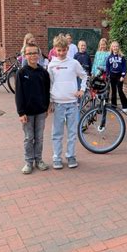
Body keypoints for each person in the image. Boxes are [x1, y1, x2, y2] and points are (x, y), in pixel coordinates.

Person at [48, 35, 87, 169]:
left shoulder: (73, 63)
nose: (62, 53)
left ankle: (70, 156)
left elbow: (84, 76)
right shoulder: (51, 65)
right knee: (57, 133)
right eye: (59, 50)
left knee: (72, 133)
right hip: (58, 104)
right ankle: (57, 157)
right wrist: (50, 102)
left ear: (67, 49)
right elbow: (49, 84)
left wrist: (82, 89)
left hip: (72, 103)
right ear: (55, 50)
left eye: (64, 50)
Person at [15, 43, 51, 174]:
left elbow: (47, 91)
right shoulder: (21, 73)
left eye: (35, 53)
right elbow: (19, 94)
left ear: (39, 54)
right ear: (25, 55)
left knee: (39, 137)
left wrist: (47, 106)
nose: (33, 56)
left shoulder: (43, 73)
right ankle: (29, 162)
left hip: (41, 111)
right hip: (27, 113)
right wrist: (21, 112)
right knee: (29, 138)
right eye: (30, 53)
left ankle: (39, 160)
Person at [106, 41, 127, 113]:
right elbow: (107, 67)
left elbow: (124, 67)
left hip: (119, 76)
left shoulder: (121, 57)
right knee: (113, 91)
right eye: (114, 46)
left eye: (116, 46)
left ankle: (126, 106)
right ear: (111, 48)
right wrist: (108, 74)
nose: (115, 48)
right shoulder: (109, 57)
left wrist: (123, 75)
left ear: (118, 47)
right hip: (112, 75)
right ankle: (113, 106)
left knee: (120, 90)